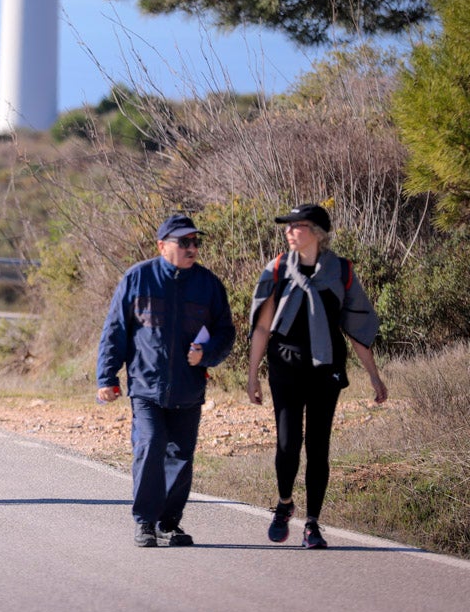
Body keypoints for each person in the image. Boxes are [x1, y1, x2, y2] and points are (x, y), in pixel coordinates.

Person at [246, 203, 387, 549]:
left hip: (326, 368)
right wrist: (252, 376)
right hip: (285, 366)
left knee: (318, 446)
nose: (289, 231)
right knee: (287, 444)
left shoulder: (341, 272)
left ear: (318, 233)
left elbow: (356, 328)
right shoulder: (277, 268)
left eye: (298, 225)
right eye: (288, 226)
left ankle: (313, 523)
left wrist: (374, 377)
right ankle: (284, 504)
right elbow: (263, 327)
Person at [97, 214, 235, 547]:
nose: (192, 248)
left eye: (195, 242)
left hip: (189, 387)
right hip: (146, 386)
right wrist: (107, 376)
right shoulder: (138, 278)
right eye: (184, 242)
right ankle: (144, 521)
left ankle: (168, 523)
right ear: (162, 246)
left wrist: (207, 353)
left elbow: (225, 332)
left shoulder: (209, 285)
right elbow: (115, 330)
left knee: (181, 456)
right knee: (150, 444)